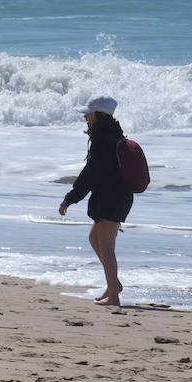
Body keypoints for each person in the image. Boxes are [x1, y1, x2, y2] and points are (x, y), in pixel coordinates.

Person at [58, 96, 134, 307]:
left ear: (99, 115)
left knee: (107, 247)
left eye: (88, 113)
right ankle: (113, 285)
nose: (85, 117)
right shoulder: (113, 135)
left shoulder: (102, 141)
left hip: (112, 197)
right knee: (95, 239)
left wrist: (69, 199)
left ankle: (115, 297)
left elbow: (90, 175)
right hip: (117, 196)